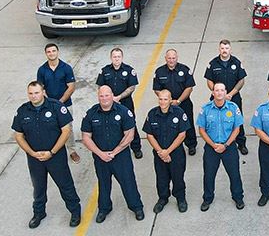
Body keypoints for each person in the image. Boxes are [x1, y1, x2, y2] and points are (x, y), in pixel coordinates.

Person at [12, 81, 81, 228]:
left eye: (36, 92)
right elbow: (18, 135)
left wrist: (52, 152)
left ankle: (75, 212)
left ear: (43, 92)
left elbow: (66, 131)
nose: (34, 96)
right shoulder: (23, 111)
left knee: (66, 186)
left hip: (55, 157)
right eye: (30, 93)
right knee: (38, 188)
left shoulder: (56, 107)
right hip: (35, 159)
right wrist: (32, 153)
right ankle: (39, 213)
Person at [81, 86, 144, 223]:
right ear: (98, 97)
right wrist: (100, 154)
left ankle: (136, 207)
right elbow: (86, 137)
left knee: (128, 182)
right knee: (103, 184)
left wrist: (114, 152)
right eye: (101, 96)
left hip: (120, 157)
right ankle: (104, 209)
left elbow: (130, 135)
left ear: (112, 95)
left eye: (107, 95)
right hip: (100, 157)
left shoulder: (123, 112)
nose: (104, 98)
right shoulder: (91, 114)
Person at [196, 83, 245, 212]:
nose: (219, 93)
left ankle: (238, 197)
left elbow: (237, 129)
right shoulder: (205, 109)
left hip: (229, 147)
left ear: (225, 92)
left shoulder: (233, 108)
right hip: (211, 148)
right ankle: (207, 198)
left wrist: (226, 145)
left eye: (222, 90)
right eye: (216, 90)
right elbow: (201, 130)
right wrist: (214, 145)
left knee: (234, 174)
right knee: (209, 175)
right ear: (212, 93)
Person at [143, 89, 190, 214]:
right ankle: (163, 199)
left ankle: (181, 199)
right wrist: (161, 152)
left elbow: (182, 134)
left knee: (178, 177)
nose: (162, 102)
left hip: (176, 153)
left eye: (165, 99)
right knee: (161, 178)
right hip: (159, 154)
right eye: (160, 99)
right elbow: (149, 135)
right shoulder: (152, 114)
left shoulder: (179, 113)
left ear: (170, 100)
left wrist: (168, 151)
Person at [36, 43, 79, 163]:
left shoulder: (66, 68)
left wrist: (60, 102)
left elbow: (71, 87)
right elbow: (41, 88)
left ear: (57, 52)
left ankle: (72, 151)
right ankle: (55, 150)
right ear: (46, 54)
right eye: (49, 52)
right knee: (51, 128)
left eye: (53, 51)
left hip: (65, 104)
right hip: (48, 105)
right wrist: (50, 102)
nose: (51, 53)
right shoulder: (42, 70)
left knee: (68, 128)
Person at [204, 40, 249, 155]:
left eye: (227, 48)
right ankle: (215, 141)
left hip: (233, 97)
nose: (224, 50)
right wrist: (217, 93)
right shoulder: (213, 64)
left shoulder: (236, 62)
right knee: (215, 119)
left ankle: (241, 143)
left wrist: (230, 94)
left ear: (230, 49)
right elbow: (209, 81)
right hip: (216, 98)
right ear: (219, 49)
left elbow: (241, 80)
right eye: (222, 48)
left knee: (238, 121)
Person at [97, 48, 142, 159]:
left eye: (118, 57)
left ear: (122, 57)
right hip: (109, 104)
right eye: (114, 57)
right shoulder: (105, 71)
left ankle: (136, 148)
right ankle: (117, 147)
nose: (116, 59)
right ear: (111, 58)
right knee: (112, 125)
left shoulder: (129, 70)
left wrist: (119, 97)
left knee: (131, 125)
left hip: (125, 103)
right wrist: (109, 98)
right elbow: (100, 87)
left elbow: (132, 87)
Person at [153, 49, 197, 156]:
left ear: (177, 58)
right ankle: (172, 145)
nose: (171, 60)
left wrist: (178, 101)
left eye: (173, 58)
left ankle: (191, 145)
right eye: (169, 58)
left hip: (184, 103)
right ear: (165, 58)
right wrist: (166, 101)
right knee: (169, 125)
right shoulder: (159, 72)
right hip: (166, 105)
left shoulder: (185, 70)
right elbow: (156, 89)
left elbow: (189, 88)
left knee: (188, 124)